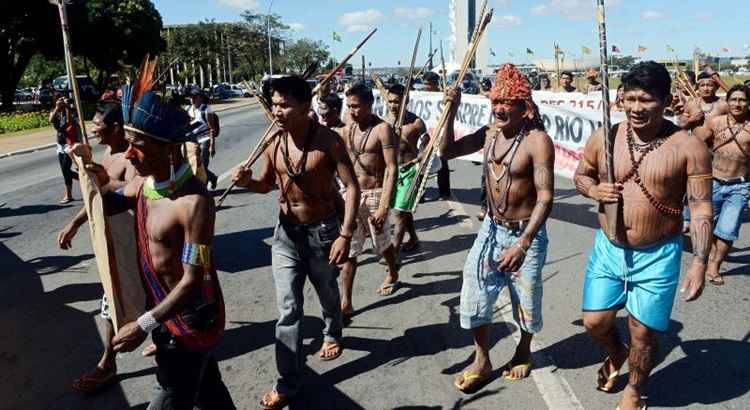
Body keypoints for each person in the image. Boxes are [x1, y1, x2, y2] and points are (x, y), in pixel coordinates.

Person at [573, 61, 711, 410]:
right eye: (630, 98)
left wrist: (699, 263)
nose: (636, 108)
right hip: (609, 246)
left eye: (646, 100)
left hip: (659, 252)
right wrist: (594, 191)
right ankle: (616, 351)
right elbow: (581, 175)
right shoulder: (604, 137)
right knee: (594, 321)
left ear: (666, 100)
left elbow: (700, 208)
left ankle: (635, 391)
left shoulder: (688, 147)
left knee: (643, 332)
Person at [93, 78, 234, 409]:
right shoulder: (144, 185)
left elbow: (192, 280)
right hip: (163, 316)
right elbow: (111, 201)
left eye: (137, 145)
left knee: (172, 395)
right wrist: (90, 173)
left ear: (168, 149)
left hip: (187, 319)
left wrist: (143, 325)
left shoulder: (194, 202)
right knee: (209, 390)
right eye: (127, 143)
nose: (128, 154)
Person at [231, 75, 359, 409]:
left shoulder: (329, 141)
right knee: (288, 309)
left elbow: (353, 187)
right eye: (274, 104)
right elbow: (265, 185)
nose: (277, 111)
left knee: (328, 292)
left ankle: (333, 331)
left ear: (305, 106)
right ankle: (288, 382)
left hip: (323, 231)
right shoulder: (273, 143)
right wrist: (247, 182)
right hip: (285, 234)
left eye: (285, 105)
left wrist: (345, 234)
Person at [440, 64, 555, 391]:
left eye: (507, 102)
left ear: (525, 107)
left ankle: (523, 349)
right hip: (491, 229)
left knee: (527, 298)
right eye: (495, 101)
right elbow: (446, 151)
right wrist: (452, 111)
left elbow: (546, 198)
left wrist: (523, 244)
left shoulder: (537, 141)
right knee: (474, 291)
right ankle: (482, 358)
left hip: (526, 234)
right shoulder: (489, 133)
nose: (499, 108)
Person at [56, 98, 139, 394]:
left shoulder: (133, 155)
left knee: (146, 296)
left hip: (138, 242)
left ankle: (112, 360)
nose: (93, 131)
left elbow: (134, 191)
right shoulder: (106, 153)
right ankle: (109, 362)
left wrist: (101, 177)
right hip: (113, 242)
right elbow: (97, 195)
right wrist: (75, 223)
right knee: (111, 302)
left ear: (116, 128)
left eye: (97, 126)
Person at [338, 82, 400, 317]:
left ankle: (393, 271)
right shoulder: (347, 127)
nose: (352, 111)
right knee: (350, 249)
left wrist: (384, 206)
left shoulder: (383, 129)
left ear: (369, 104)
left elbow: (392, 169)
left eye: (357, 106)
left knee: (382, 243)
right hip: (352, 196)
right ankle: (346, 301)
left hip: (376, 194)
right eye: (349, 106)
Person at [694, 85, 750, 286]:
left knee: (727, 230)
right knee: (706, 225)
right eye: (733, 99)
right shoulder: (715, 122)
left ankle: (714, 265)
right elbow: (696, 141)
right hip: (713, 182)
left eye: (742, 100)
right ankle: (705, 257)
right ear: (727, 101)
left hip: (740, 187)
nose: (737, 104)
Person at [384, 83, 427, 254]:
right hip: (390, 172)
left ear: (406, 101)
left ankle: (394, 253)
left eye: (397, 102)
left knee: (399, 213)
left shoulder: (416, 123)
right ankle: (414, 239)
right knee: (403, 209)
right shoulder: (384, 122)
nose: (393, 105)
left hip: (409, 173)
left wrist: (418, 159)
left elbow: (427, 146)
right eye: (390, 102)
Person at [186, 88, 220, 189]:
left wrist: (212, 146)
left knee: (203, 166)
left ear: (199, 98)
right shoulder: (188, 109)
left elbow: (212, 128)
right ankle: (212, 177)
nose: (192, 99)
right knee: (194, 165)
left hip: (205, 139)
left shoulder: (206, 109)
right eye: (191, 97)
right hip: (193, 141)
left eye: (194, 97)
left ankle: (203, 188)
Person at [50, 93, 80, 204]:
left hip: (70, 143)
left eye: (62, 99)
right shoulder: (55, 110)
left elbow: (69, 123)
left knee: (66, 169)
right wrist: (57, 108)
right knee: (65, 170)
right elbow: (50, 120)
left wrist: (67, 108)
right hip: (60, 145)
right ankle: (84, 179)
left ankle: (69, 195)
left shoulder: (70, 110)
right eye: (58, 100)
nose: (61, 101)